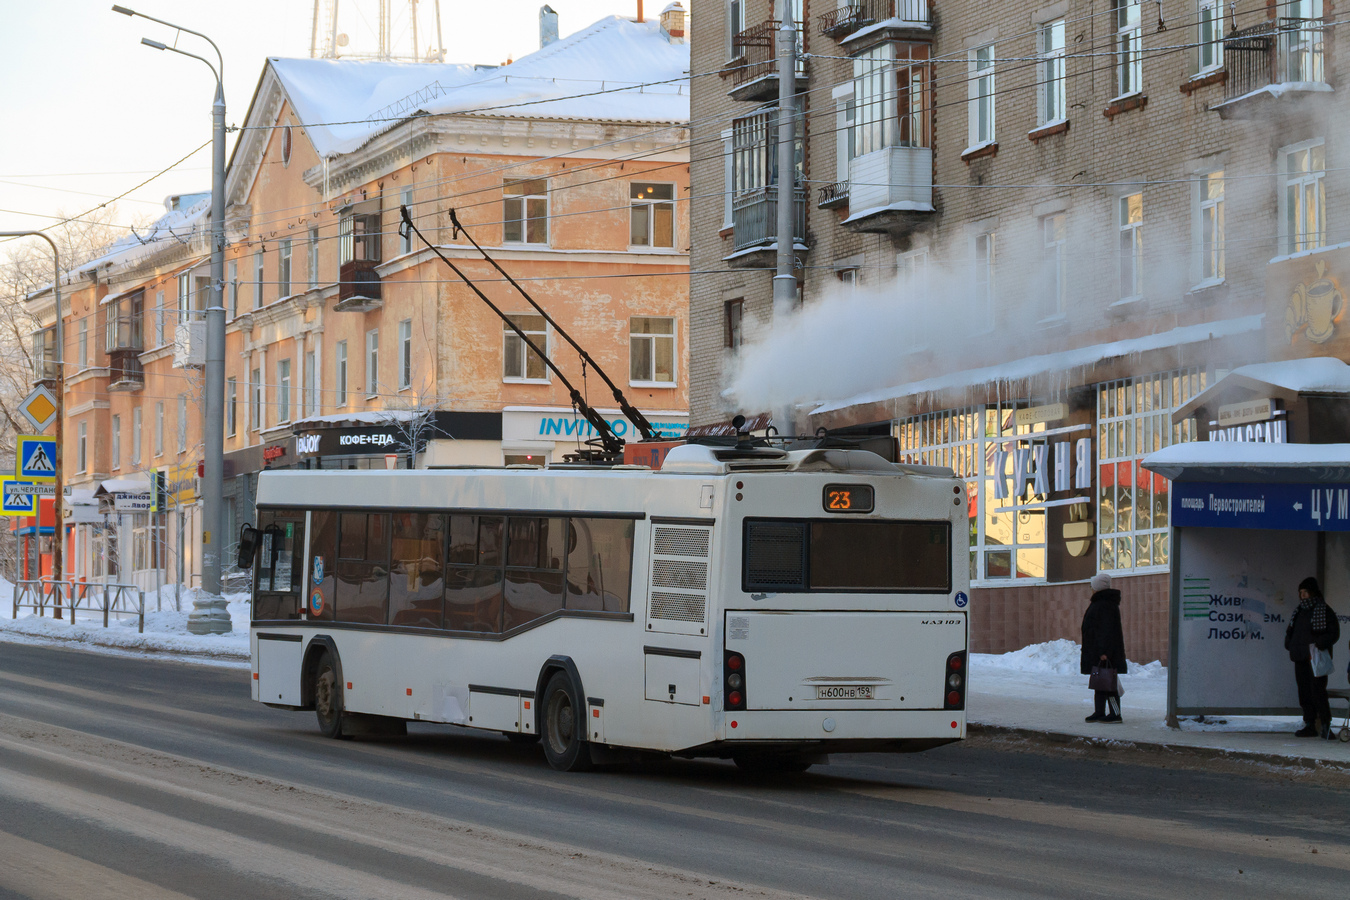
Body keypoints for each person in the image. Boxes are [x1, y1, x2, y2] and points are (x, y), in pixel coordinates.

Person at [1285, 576, 1338, 738]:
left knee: (1318, 692)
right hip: (1300, 656)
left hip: (1316, 658)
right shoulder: (1298, 611)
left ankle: (1325, 725)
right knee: (1304, 692)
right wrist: (1289, 644)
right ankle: (1309, 724)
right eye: (1300, 592)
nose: (1302, 596)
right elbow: (1291, 631)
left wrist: (1320, 643)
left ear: (1313, 592)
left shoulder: (1324, 610)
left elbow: (1334, 633)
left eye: (1305, 592)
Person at [1081, 572, 1127, 723]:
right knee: (1100, 682)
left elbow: (1106, 630)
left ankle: (1115, 714)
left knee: (1109, 684)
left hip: (1104, 652)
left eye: (1092, 585)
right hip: (1098, 650)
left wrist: (1104, 651)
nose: (1091, 588)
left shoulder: (1104, 604)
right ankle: (1099, 711)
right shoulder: (1101, 603)